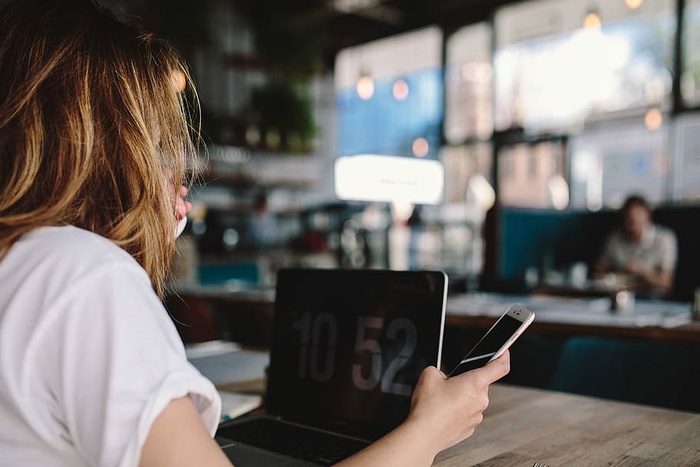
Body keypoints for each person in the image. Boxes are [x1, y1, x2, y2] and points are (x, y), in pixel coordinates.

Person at [0, 1, 510, 466]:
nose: (178, 174)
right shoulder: (83, 276)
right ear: (112, 152)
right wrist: (431, 430)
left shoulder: (23, 263)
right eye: (159, 145)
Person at [593, 194, 678, 298]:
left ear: (647, 216)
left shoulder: (664, 238)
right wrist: (613, 275)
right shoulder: (615, 238)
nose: (632, 220)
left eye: (637, 215)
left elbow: (666, 283)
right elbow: (599, 270)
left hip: (653, 299)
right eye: (628, 217)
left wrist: (641, 272)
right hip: (618, 296)